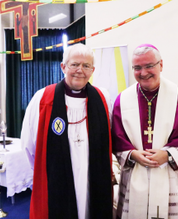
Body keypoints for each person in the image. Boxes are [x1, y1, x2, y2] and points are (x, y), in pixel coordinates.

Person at [112, 44, 178, 219]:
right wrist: (133, 154)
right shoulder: (123, 100)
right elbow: (116, 139)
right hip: (135, 174)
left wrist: (168, 155)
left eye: (149, 65)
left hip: (171, 176)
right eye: (137, 67)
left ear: (161, 65)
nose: (143, 73)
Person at [21, 43, 113, 219]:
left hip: (92, 177)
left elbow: (108, 137)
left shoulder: (103, 98)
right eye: (74, 64)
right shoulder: (42, 98)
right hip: (55, 179)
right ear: (63, 67)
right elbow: (29, 144)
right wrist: (45, 171)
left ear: (92, 70)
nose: (80, 70)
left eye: (86, 66)